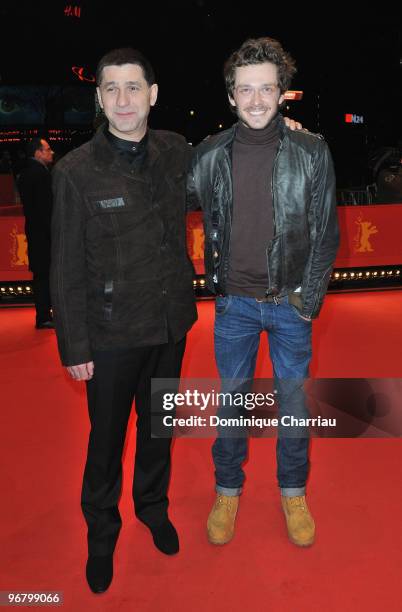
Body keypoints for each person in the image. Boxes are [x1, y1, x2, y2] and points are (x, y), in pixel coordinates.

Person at [50, 48, 197, 594]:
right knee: (106, 439)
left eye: (133, 87)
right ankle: (102, 531)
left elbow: (231, 161)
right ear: (99, 99)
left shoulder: (176, 151)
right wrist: (74, 345)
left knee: (159, 430)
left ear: (153, 95)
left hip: (169, 324)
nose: (123, 100)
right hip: (109, 335)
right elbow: (63, 267)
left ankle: (153, 508)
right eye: (110, 89)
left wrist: (284, 129)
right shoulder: (75, 172)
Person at [188, 37, 339, 548]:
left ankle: (293, 491)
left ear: (282, 94)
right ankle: (227, 489)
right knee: (232, 404)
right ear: (231, 95)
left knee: (294, 405)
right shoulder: (207, 155)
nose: (256, 100)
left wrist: (308, 300)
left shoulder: (312, 150)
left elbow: (326, 232)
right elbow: (160, 196)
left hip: (290, 304)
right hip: (233, 305)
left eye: (266, 89)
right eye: (245, 90)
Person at [17, 138, 54, 328]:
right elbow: (45, 209)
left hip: (34, 231)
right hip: (44, 234)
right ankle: (44, 316)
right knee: (44, 275)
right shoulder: (40, 174)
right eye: (47, 149)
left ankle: (44, 315)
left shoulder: (25, 173)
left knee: (41, 274)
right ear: (37, 153)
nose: (52, 152)